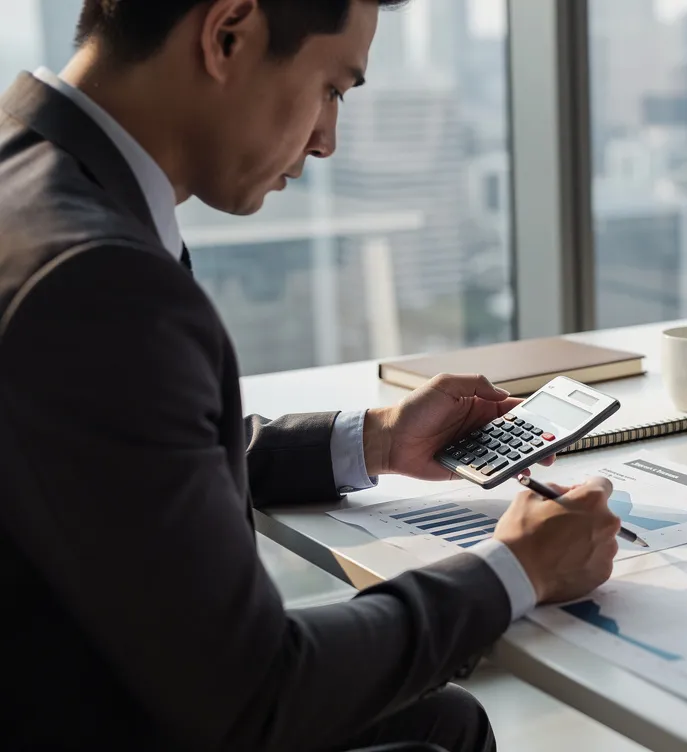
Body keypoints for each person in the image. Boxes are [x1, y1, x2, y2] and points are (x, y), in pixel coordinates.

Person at [0, 1, 621, 749]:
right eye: (331, 88)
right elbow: (253, 695)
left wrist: (378, 440)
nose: (327, 140)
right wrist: (518, 570)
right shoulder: (97, 281)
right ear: (228, 35)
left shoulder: (27, 180)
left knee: (445, 720)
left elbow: (120, 457)